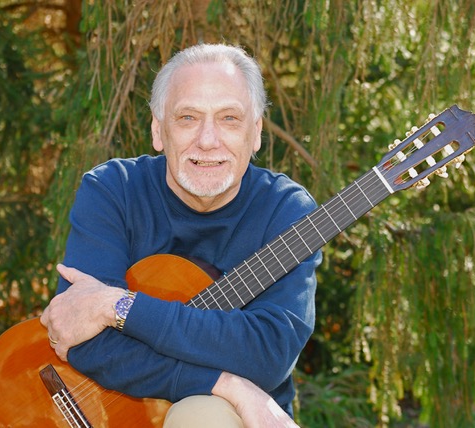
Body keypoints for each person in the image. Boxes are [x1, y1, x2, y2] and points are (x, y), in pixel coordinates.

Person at [40, 43, 321, 427]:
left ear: (255, 134)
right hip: (111, 411)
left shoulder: (286, 211)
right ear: (159, 130)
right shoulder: (112, 190)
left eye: (229, 118)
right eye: (188, 117)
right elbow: (80, 337)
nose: (208, 140)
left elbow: (267, 356)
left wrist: (116, 306)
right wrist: (225, 382)